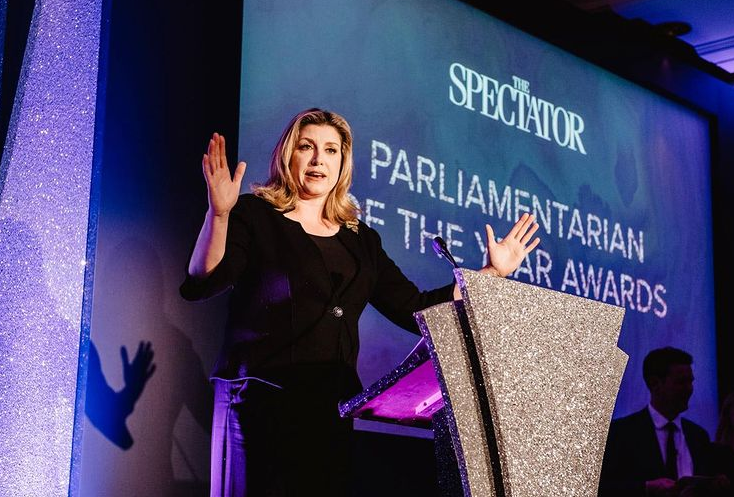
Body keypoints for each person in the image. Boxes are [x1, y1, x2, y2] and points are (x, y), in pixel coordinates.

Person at [180, 108, 540, 496]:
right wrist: (219, 214)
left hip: (329, 409)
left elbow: (415, 308)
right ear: (289, 156)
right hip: (258, 401)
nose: (319, 159)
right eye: (307, 147)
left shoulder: (361, 241)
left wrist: (492, 272)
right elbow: (207, 278)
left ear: (342, 163)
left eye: (331, 150)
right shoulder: (255, 215)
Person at [598, 346, 729, 497]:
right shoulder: (621, 434)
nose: (689, 389)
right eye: (681, 382)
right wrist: (645, 488)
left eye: (690, 381)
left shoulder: (698, 436)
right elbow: (602, 487)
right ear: (655, 384)